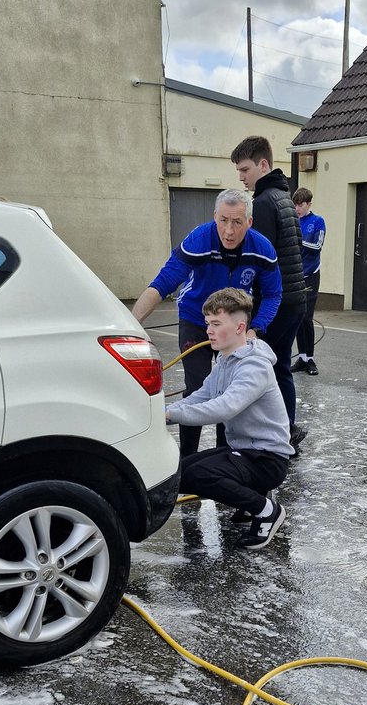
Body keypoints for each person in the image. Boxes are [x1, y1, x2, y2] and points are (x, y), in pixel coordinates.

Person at [131, 188, 281, 455]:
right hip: (197, 319)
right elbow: (163, 282)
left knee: (229, 391)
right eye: (223, 220)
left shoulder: (262, 249)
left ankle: (226, 456)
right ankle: (188, 459)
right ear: (214, 216)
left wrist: (256, 329)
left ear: (249, 222)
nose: (229, 231)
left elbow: (272, 294)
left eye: (237, 222)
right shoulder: (199, 239)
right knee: (197, 386)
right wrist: (132, 322)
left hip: (236, 328)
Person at [165, 288, 292, 551]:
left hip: (266, 459)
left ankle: (266, 510)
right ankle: (254, 498)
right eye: (208, 324)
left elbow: (225, 407)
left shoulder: (255, 366)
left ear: (239, 327)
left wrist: (171, 414)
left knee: (199, 475)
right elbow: (199, 397)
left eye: (216, 324)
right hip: (244, 452)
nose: (208, 330)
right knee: (180, 472)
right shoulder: (225, 360)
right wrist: (160, 414)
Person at [230, 136, 307, 451]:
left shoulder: (262, 203)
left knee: (267, 369)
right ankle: (286, 428)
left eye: (245, 169)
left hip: (277, 302)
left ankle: (278, 435)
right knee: (280, 367)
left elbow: (260, 258)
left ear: (263, 164)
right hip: (295, 299)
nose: (241, 177)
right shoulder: (283, 196)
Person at [290, 187, 326, 376]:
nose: (297, 208)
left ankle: (310, 358)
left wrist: (299, 241)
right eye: (295, 204)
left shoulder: (317, 221)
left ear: (309, 204)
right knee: (297, 317)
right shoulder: (293, 221)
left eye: (301, 204)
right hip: (295, 274)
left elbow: (317, 246)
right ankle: (302, 357)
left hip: (311, 273)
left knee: (307, 317)